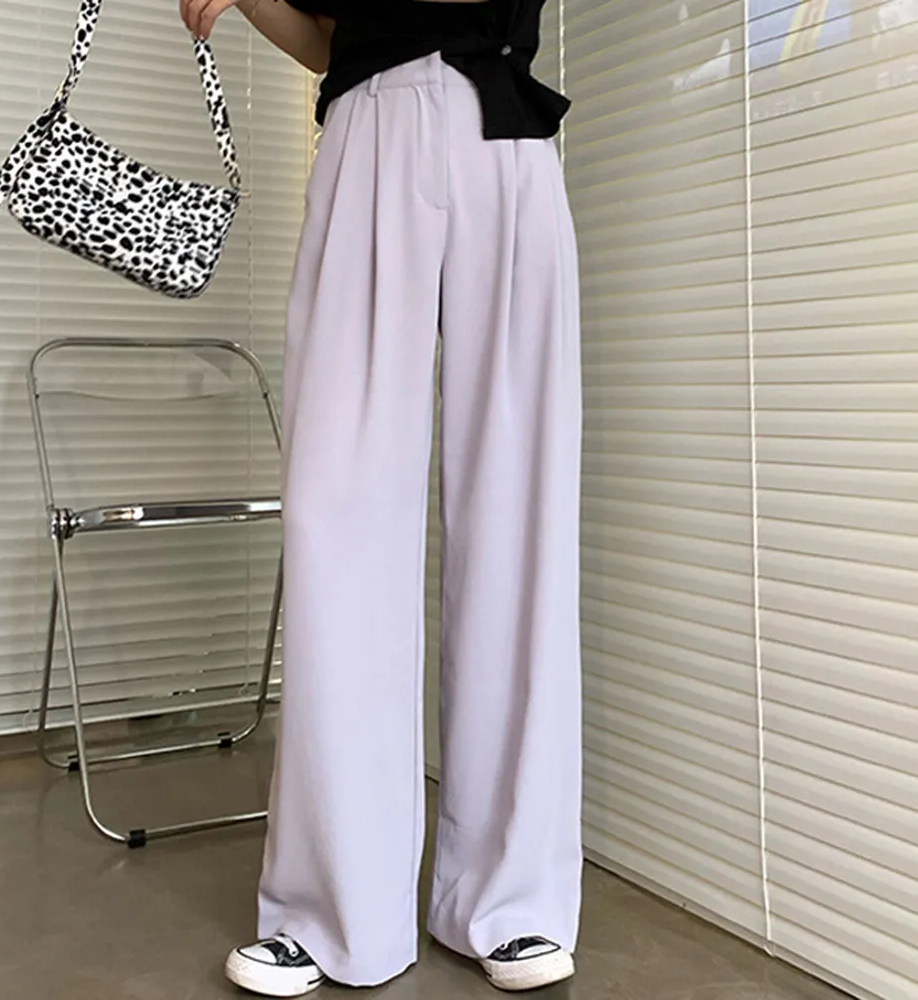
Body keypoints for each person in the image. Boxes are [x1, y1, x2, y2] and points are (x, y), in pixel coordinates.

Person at [179, 0, 583, 994]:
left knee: (519, 517)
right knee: (338, 512)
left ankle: (509, 900)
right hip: (365, 126)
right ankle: (329, 910)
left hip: (504, 137)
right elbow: (336, 35)